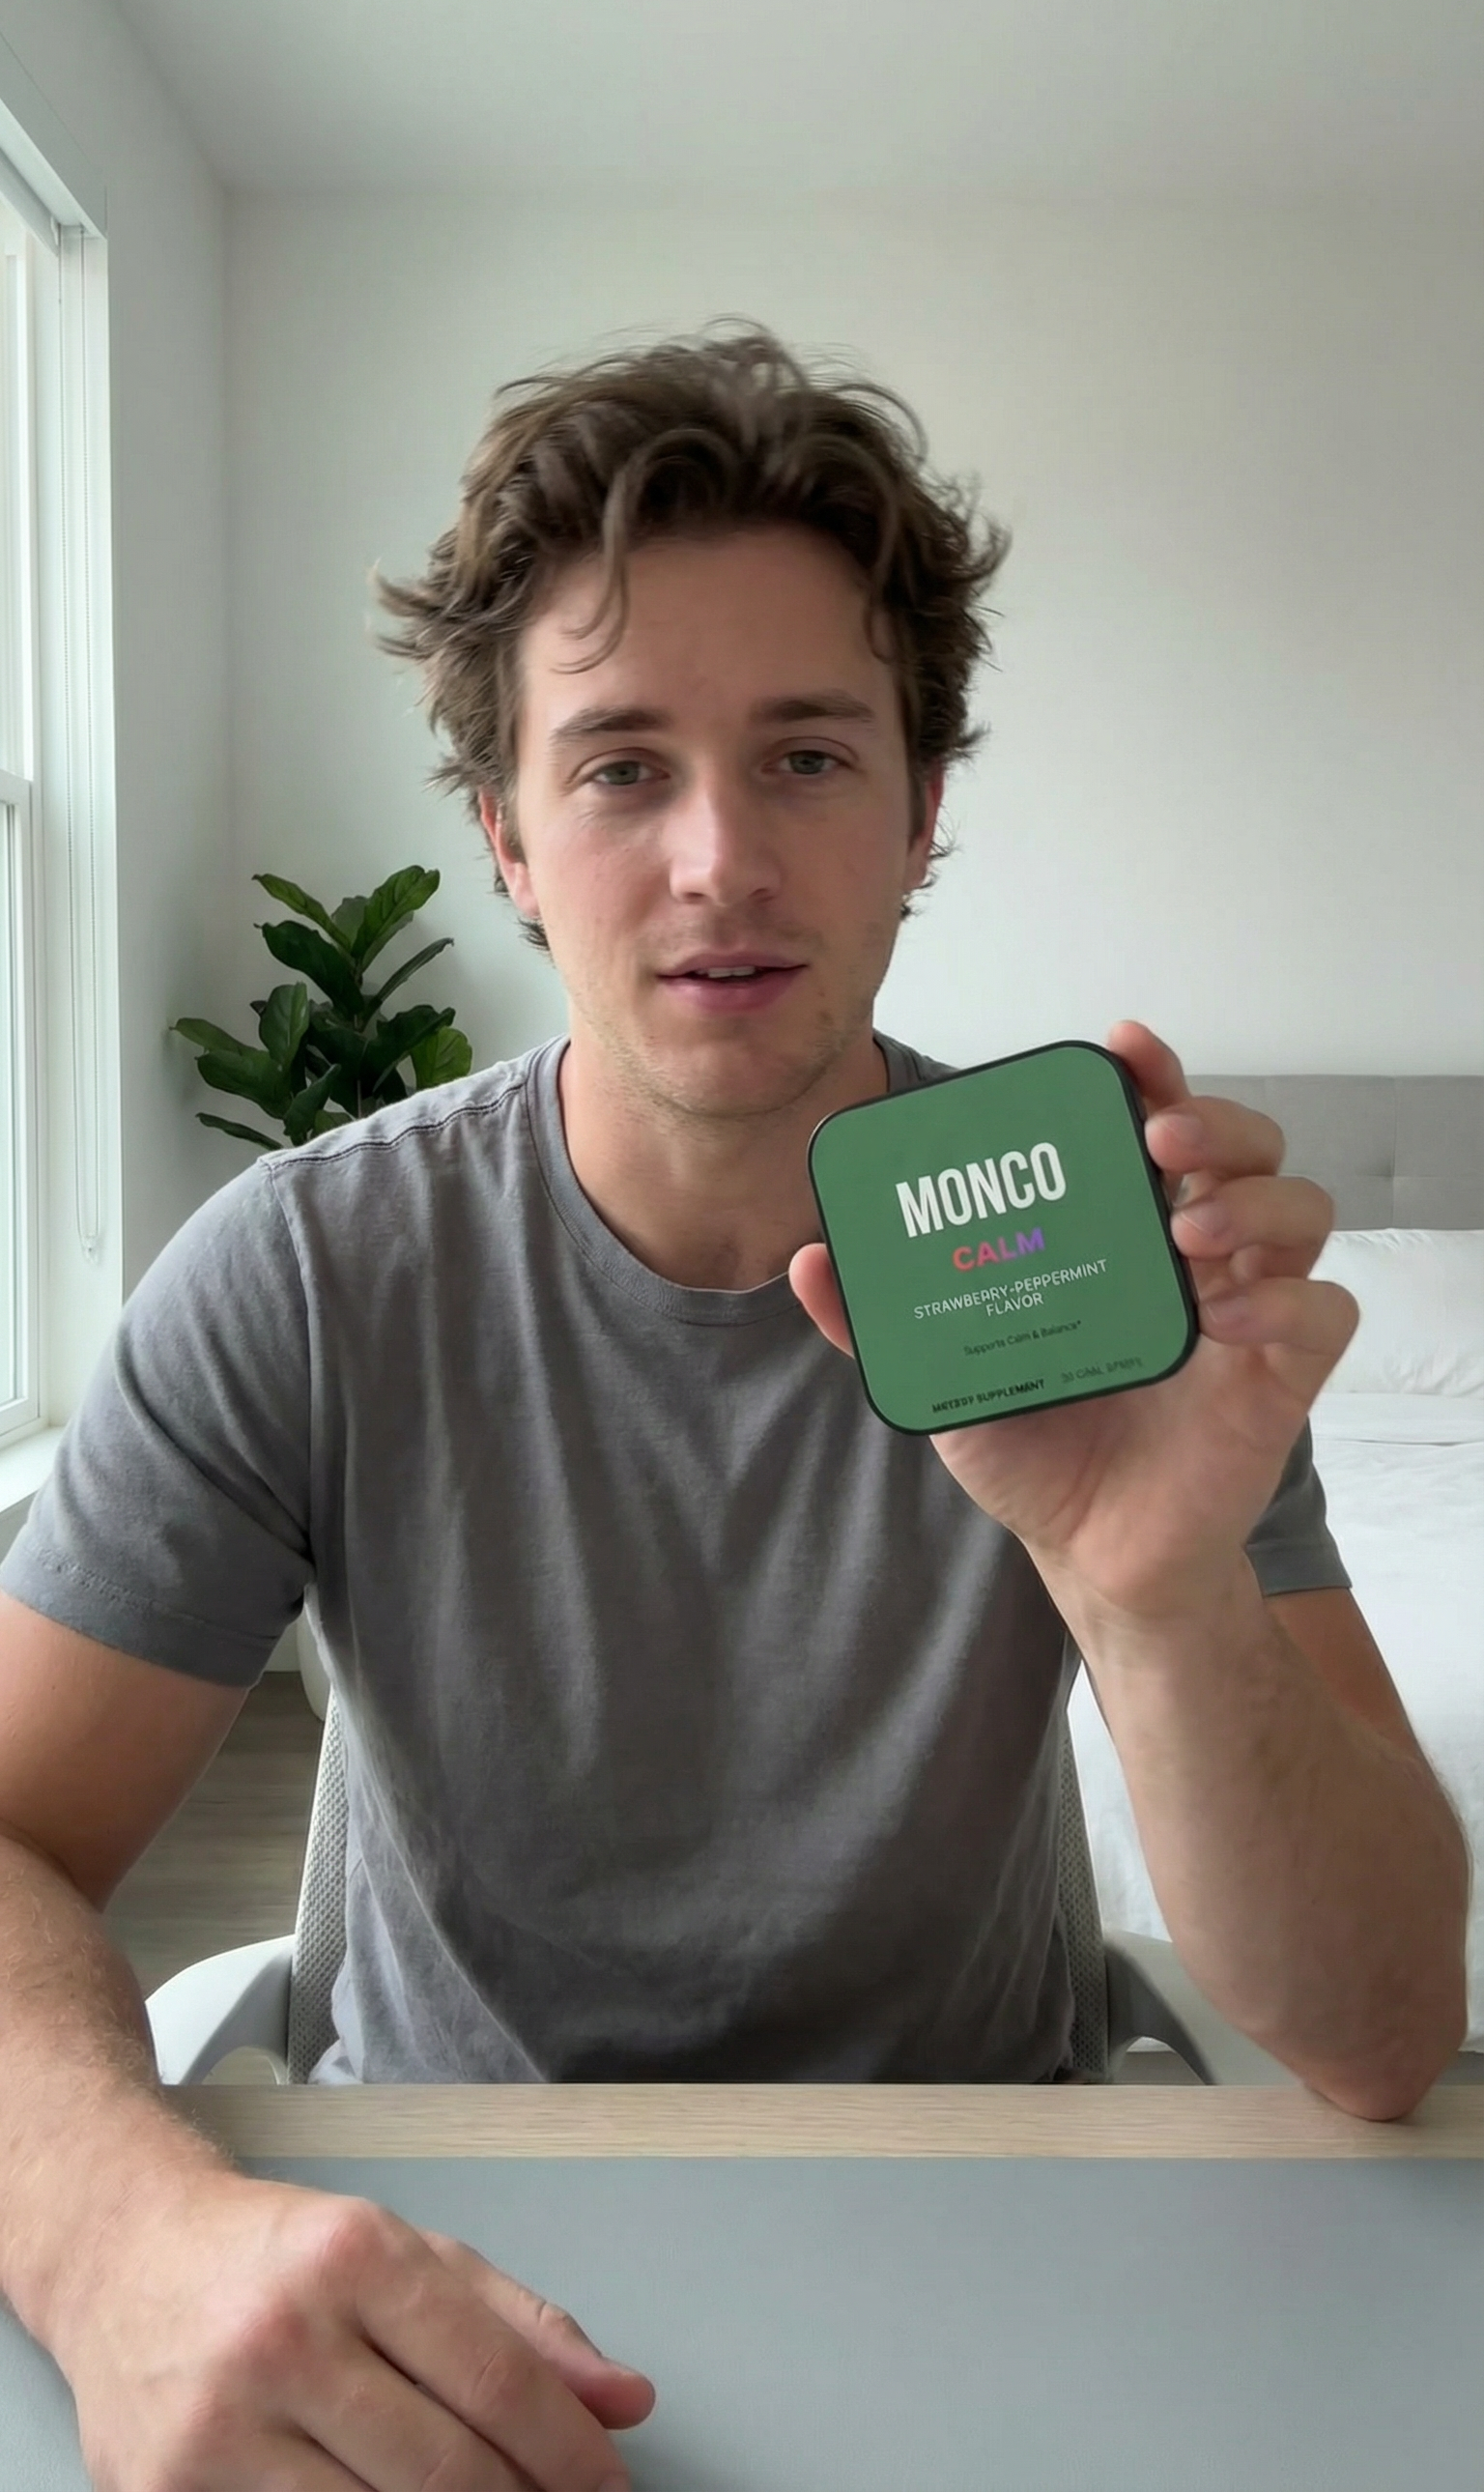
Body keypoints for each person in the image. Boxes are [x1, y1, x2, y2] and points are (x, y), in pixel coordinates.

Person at [0, 322, 1469, 2491]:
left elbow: (1383, 2025)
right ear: (507, 838)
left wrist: (1155, 1593)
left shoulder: (1098, 1273)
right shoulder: (305, 1272)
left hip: (998, 2227)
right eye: (619, 767)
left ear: (922, 812)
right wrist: (111, 2231)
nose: (719, 858)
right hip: (447, 2228)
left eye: (806, 755)